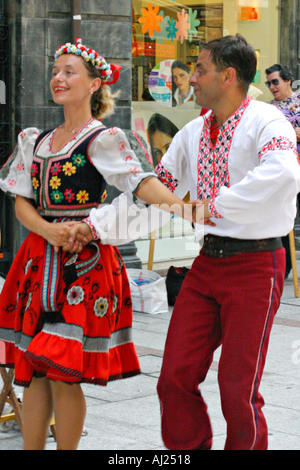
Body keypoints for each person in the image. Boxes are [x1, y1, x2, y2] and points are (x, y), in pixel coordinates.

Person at [0, 38, 198, 450]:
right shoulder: (36, 140)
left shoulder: (104, 138)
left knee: (61, 369)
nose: (58, 78)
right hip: (38, 259)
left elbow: (139, 182)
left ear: (94, 84)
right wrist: (49, 229)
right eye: (56, 71)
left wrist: (182, 207)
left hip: (83, 266)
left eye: (69, 72)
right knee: (34, 369)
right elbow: (21, 200)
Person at [156, 34, 300, 450]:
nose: (193, 78)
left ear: (228, 75)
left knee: (237, 387)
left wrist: (209, 206)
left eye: (200, 70)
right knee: (174, 377)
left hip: (257, 264)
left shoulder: (268, 121)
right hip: (207, 262)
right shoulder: (193, 131)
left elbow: (284, 174)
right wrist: (97, 225)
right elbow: (160, 185)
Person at [265, 64, 300, 278]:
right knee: (283, 216)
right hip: (283, 169)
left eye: (275, 81)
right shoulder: (268, 109)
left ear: (288, 80)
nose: (271, 86)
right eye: (269, 83)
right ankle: (285, 265)